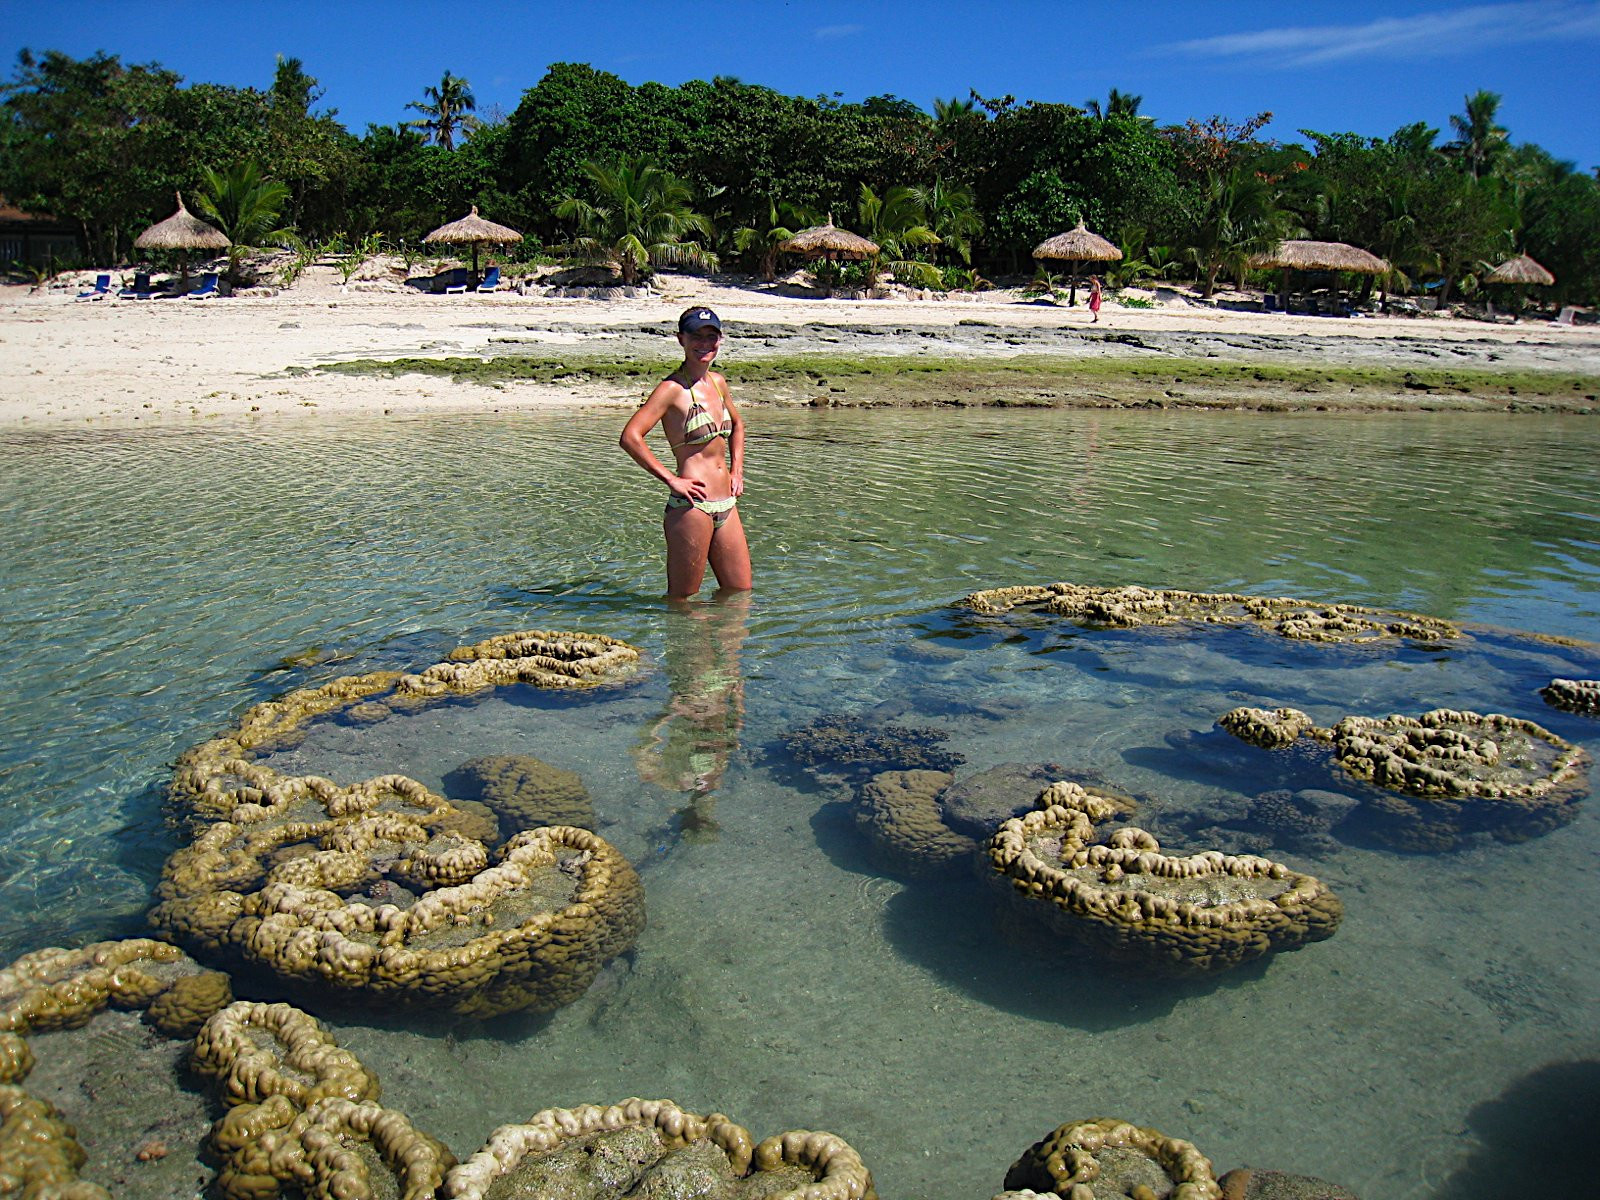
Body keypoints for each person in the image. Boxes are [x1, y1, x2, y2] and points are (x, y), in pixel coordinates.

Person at [620, 307, 753, 598]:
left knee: (740, 595)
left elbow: (739, 425)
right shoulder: (671, 389)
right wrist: (672, 480)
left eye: (711, 336)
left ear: (720, 340)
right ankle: (683, 645)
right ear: (681, 339)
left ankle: (728, 645)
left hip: (726, 504)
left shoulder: (718, 383)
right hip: (692, 506)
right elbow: (630, 437)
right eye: (696, 336)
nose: (705, 344)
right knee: (683, 602)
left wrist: (737, 471)